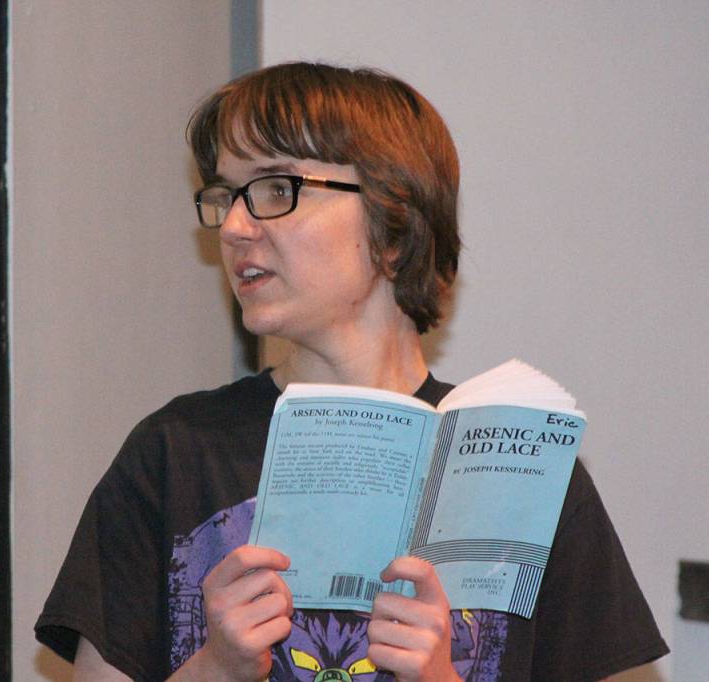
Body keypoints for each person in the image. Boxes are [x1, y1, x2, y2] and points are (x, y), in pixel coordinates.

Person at [36, 62, 668, 681]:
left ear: (393, 225)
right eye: (225, 195)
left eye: (276, 189)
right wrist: (217, 670)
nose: (232, 226)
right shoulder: (173, 453)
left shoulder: (521, 465)